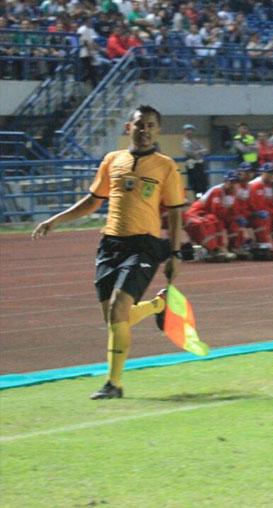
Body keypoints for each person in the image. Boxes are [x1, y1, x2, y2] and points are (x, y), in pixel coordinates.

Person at [31, 105, 185, 399]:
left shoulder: (166, 166)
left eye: (151, 125)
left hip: (145, 245)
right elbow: (92, 201)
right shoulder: (112, 161)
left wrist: (175, 254)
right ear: (129, 127)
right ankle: (157, 307)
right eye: (140, 125)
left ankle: (113, 384)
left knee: (118, 309)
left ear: (158, 131)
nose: (145, 130)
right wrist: (55, 221)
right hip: (111, 245)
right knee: (115, 319)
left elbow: (176, 212)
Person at [182, 170, 240, 262]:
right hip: (194, 215)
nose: (233, 185)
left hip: (204, 215)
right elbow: (216, 211)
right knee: (212, 221)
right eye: (231, 182)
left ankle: (226, 248)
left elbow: (229, 213)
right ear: (225, 182)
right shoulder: (218, 191)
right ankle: (213, 249)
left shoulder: (232, 194)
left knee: (230, 222)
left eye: (235, 182)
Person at [248, 162, 273, 252]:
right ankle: (263, 243)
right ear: (263, 173)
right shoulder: (256, 185)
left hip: (261, 210)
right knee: (265, 218)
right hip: (250, 212)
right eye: (270, 173)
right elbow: (258, 206)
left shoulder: (268, 185)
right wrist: (271, 211)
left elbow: (269, 203)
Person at [181, 123, 209, 198]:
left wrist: (197, 152)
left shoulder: (195, 141)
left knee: (203, 183)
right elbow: (189, 153)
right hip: (192, 165)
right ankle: (198, 198)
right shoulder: (185, 142)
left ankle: (202, 198)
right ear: (184, 132)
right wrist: (199, 152)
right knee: (196, 184)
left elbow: (205, 150)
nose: (189, 132)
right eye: (187, 130)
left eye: (191, 130)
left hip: (199, 164)